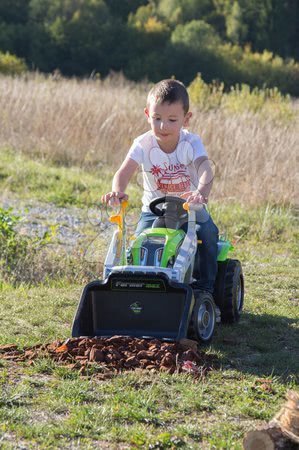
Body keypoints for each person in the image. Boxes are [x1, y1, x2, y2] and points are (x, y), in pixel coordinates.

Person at [102, 79, 218, 294]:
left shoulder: (191, 143)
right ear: (147, 115)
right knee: (137, 244)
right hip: (152, 210)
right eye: (157, 119)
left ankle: (205, 288)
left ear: (186, 118)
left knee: (208, 234)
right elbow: (123, 172)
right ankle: (135, 287)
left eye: (172, 120)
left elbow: (205, 170)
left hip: (190, 209)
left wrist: (200, 194)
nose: (163, 126)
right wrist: (117, 190)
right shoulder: (142, 143)